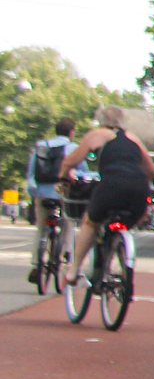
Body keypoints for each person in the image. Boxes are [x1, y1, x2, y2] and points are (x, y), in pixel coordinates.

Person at [57, 106, 154, 296]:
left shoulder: (97, 135)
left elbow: (70, 162)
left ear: (102, 121)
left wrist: (62, 180)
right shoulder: (133, 138)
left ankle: (74, 270)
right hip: (138, 189)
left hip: (111, 186)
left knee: (90, 221)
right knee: (126, 223)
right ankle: (120, 252)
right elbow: (150, 169)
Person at [23, 117, 71, 283]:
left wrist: (34, 192)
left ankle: (37, 264)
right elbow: (81, 173)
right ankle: (67, 255)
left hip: (42, 193)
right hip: (64, 193)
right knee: (68, 223)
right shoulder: (73, 148)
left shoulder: (40, 147)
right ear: (71, 132)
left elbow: (31, 175)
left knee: (41, 228)